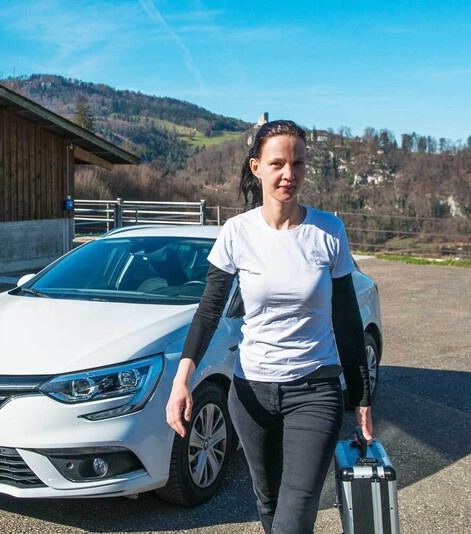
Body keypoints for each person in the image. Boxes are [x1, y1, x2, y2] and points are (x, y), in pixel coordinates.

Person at [166, 120, 373, 534]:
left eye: (298, 163)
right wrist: (181, 379)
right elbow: (209, 311)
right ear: (256, 167)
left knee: (295, 514)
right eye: (278, 163)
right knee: (269, 502)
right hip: (251, 393)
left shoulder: (328, 231)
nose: (289, 174)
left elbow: (347, 319)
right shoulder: (237, 232)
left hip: (315, 390)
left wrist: (362, 397)